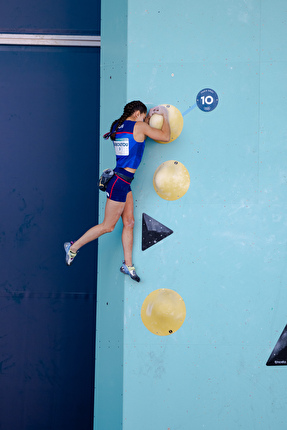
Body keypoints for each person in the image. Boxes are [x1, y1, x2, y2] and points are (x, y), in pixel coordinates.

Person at [64, 100, 170, 282]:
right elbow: (165, 136)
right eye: (144, 116)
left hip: (120, 180)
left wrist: (147, 118)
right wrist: (165, 116)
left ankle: (127, 265)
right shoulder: (139, 126)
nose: (145, 120)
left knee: (129, 222)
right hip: (119, 182)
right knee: (108, 226)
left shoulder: (117, 126)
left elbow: (131, 135)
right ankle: (73, 247)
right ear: (138, 113)